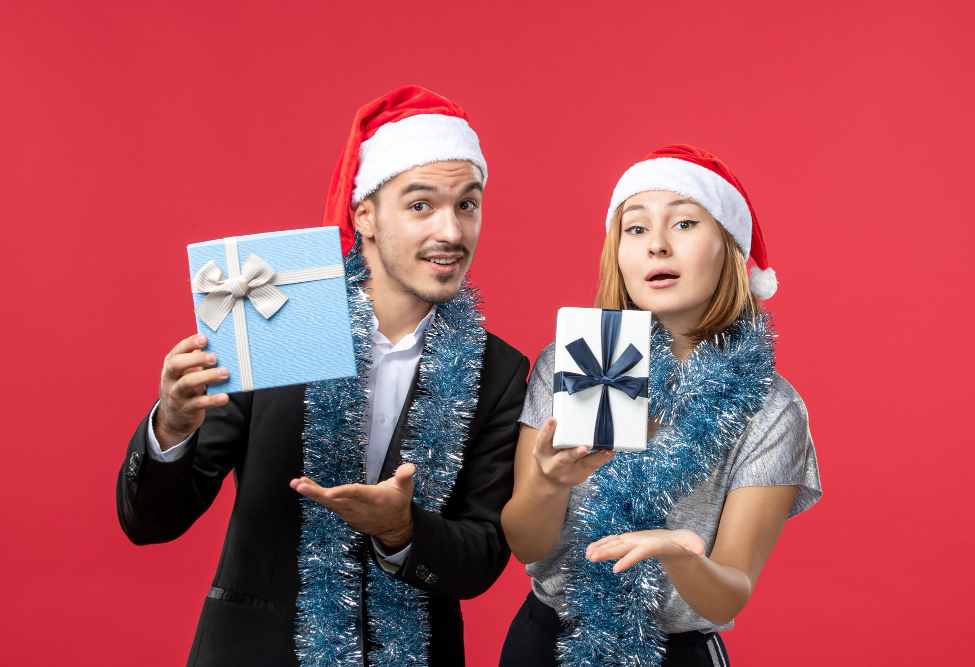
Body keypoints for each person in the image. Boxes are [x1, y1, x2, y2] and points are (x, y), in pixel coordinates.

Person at [115, 85, 529, 666]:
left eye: (467, 204)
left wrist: (402, 528)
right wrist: (174, 425)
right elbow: (151, 521)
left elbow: (482, 555)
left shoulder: (501, 371)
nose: (451, 233)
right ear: (366, 215)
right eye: (420, 205)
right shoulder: (278, 320)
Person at [499, 145, 822, 666]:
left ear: (730, 248)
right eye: (637, 228)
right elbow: (527, 546)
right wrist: (549, 482)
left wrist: (682, 558)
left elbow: (730, 591)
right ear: (618, 253)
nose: (658, 246)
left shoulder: (772, 409)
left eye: (685, 224)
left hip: (675, 653)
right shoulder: (571, 360)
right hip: (545, 644)